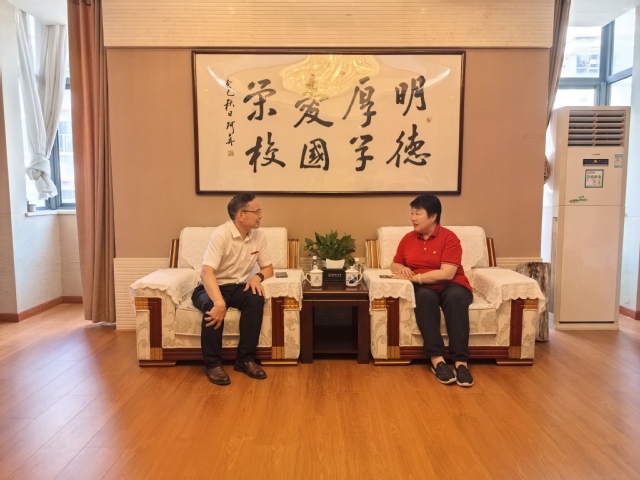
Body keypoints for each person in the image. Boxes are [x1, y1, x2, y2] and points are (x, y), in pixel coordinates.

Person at [390, 194, 474, 387]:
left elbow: (447, 274)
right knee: (425, 298)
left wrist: (415, 278)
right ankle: (437, 360)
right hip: (424, 288)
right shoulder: (408, 238)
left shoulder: (449, 238)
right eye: (412, 213)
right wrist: (402, 269)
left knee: (455, 298)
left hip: (453, 284)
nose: (413, 218)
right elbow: (395, 264)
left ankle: (461, 362)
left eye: (418, 213)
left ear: (433, 216)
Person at [191, 192, 274, 386]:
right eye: (256, 212)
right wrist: (219, 302)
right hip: (212, 286)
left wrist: (257, 277)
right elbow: (206, 272)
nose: (260, 216)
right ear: (241, 215)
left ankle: (245, 360)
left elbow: (268, 268)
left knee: (255, 298)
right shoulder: (221, 234)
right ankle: (213, 364)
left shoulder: (258, 236)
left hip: (237, 286)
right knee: (213, 307)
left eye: (260, 211)